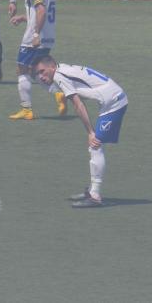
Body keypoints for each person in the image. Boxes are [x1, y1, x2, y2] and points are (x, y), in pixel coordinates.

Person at [33, 55, 128, 208]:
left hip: (114, 102)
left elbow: (78, 105)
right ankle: (92, 191)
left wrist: (90, 132)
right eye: (38, 73)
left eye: (42, 71)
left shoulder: (59, 76)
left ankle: (95, 196)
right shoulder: (60, 70)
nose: (40, 77)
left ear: (52, 66)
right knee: (95, 145)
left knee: (95, 145)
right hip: (110, 98)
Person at [7, 0, 65, 120]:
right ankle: (57, 93)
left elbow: (41, 11)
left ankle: (27, 110)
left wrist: (35, 34)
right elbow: (40, 13)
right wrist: (23, 17)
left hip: (35, 39)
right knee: (34, 70)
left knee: (22, 70)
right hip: (49, 36)